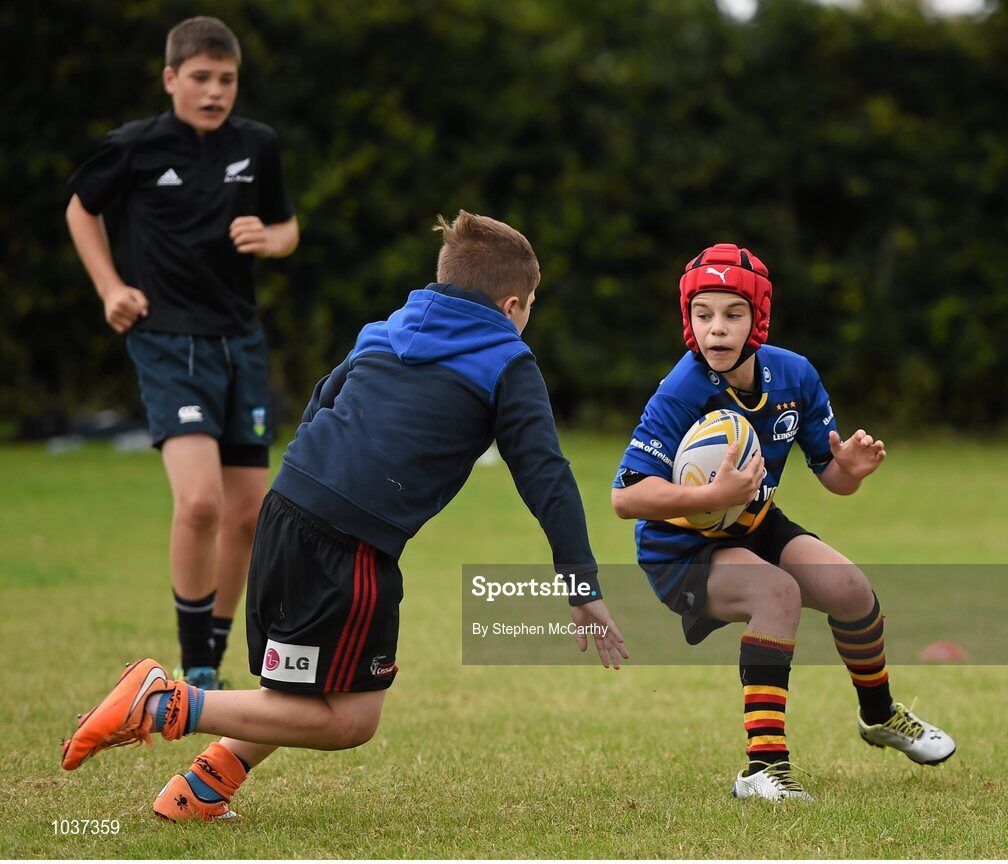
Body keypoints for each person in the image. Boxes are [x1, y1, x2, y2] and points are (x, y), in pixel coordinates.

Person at [61, 211, 628, 821]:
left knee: (301, 686)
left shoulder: (383, 330)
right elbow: (546, 475)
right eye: (532, 305)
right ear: (513, 304)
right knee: (352, 718)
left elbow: (319, 405)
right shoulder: (507, 361)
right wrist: (580, 583)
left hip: (288, 508)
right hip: (350, 543)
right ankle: (165, 703)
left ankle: (200, 791)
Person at [611, 243, 954, 801]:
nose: (715, 330)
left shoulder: (794, 376)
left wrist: (851, 470)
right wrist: (711, 494)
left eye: (732, 314)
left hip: (755, 523)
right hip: (679, 548)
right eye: (703, 315)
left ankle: (880, 715)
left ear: (759, 317)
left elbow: (832, 479)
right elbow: (624, 498)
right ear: (687, 320)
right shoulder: (681, 390)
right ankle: (763, 769)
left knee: (852, 591)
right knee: (778, 593)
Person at [65, 17, 300, 690]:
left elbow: (287, 227)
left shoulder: (257, 145)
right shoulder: (135, 147)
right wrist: (111, 288)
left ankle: (208, 663)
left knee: (249, 511)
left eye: (226, 79)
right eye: (200, 78)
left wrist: (272, 238)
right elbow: (81, 208)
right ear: (171, 79)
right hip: (168, 341)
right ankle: (192, 659)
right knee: (199, 502)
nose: (214, 91)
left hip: (240, 343)